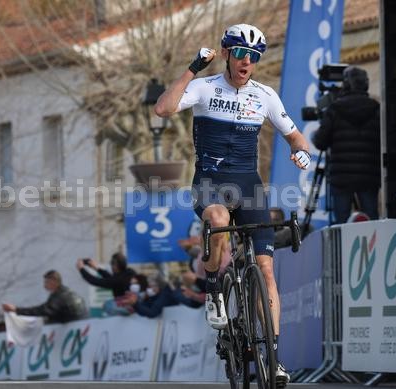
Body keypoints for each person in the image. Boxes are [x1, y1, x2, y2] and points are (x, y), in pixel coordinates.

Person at [154, 23, 311, 386]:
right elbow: (163, 108)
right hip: (209, 182)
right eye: (241, 54)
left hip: (248, 185)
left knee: (268, 271)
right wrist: (193, 67)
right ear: (227, 54)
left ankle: (273, 356)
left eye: (254, 57)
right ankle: (213, 286)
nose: (247, 62)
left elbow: (296, 136)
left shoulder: (265, 95)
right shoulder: (204, 87)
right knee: (219, 217)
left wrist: (301, 153)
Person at [311, 66, 380, 224]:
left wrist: (317, 133)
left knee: (341, 223)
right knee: (373, 221)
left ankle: (345, 248)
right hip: (369, 175)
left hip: (341, 177)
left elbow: (320, 142)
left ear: (346, 85)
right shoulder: (376, 109)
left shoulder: (334, 109)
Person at [2, 270, 88, 323]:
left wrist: (17, 310)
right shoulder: (67, 292)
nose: (44, 285)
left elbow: (43, 310)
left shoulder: (59, 296)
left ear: (54, 281)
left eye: (46, 282)